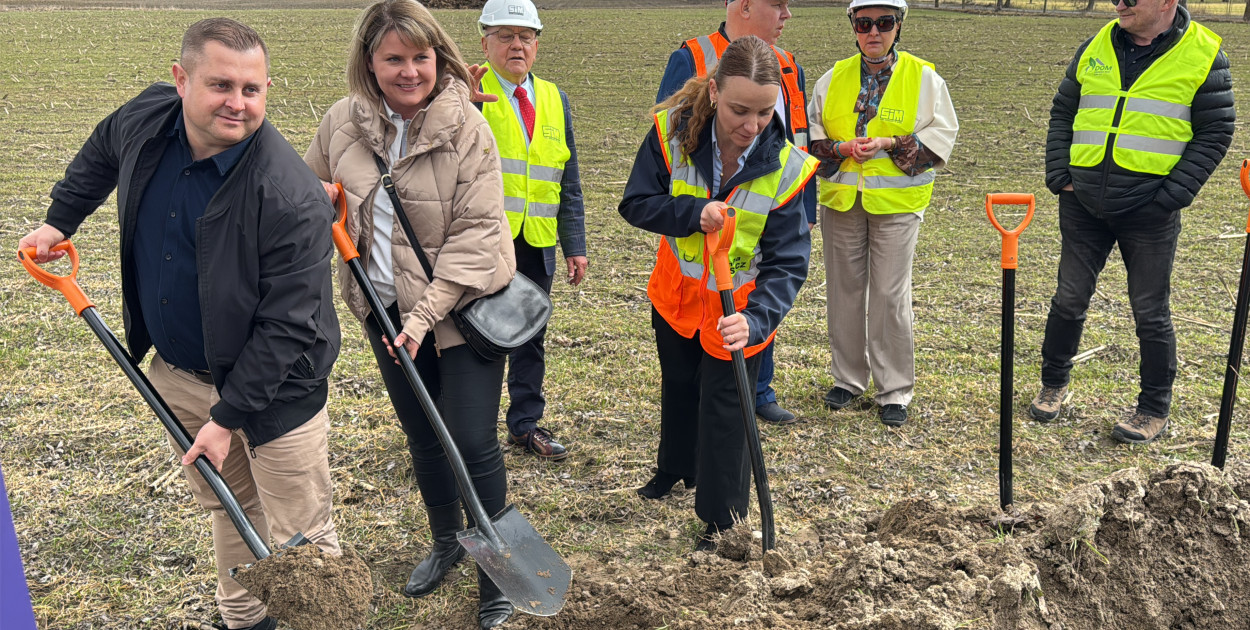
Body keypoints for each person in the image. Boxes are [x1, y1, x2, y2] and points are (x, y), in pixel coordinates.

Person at [18, 18, 342, 630]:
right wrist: (62, 220)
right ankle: (243, 620)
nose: (237, 104)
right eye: (221, 85)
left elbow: (288, 325)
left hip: (277, 391)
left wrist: (228, 417)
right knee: (230, 506)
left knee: (302, 537)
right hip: (180, 374)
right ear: (180, 80)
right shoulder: (147, 118)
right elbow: (102, 148)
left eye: (252, 90)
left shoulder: (290, 194)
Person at [304, 1, 515, 627]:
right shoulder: (341, 123)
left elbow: (479, 235)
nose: (409, 71)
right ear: (369, 62)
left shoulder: (467, 128)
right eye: (393, 58)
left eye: (420, 57)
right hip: (382, 308)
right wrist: (317, 201)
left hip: (461, 310)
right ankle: (447, 542)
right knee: (424, 435)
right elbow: (310, 194)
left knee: (472, 442)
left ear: (438, 56)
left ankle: (497, 573)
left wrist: (422, 316)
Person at [620, 35, 817, 549]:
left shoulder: (787, 169)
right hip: (678, 298)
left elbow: (789, 262)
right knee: (680, 389)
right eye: (738, 110)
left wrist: (756, 321)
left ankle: (721, 518)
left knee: (728, 410)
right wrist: (691, 213)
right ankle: (674, 469)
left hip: (739, 313)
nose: (751, 126)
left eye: (764, 112)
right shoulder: (670, 134)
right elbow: (636, 203)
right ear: (713, 91)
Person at [1031, 0, 1233, 443]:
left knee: (1150, 312)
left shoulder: (1204, 54)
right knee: (1068, 298)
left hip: (1150, 211)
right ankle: (1053, 383)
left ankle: (1153, 408)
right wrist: (1060, 175)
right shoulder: (1097, 44)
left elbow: (1217, 131)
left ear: (1166, 2)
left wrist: (1172, 196)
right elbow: (1064, 111)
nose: (1118, 3)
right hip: (1082, 202)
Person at [655, 0, 813, 426]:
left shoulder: (788, 65)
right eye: (777, 4)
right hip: (698, 255)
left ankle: (760, 389)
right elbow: (671, 144)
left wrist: (804, 207)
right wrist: (693, 211)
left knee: (756, 298)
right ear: (744, 5)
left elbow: (796, 137)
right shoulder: (692, 56)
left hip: (769, 210)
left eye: (761, 112)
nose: (787, 14)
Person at [808, 0, 957, 428]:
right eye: (864, 23)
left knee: (891, 297)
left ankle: (894, 390)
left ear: (898, 26)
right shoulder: (830, 79)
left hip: (896, 206)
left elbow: (943, 135)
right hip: (842, 201)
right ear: (853, 26)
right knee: (844, 292)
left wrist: (891, 144)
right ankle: (848, 380)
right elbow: (811, 132)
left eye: (884, 23)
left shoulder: (924, 78)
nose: (874, 31)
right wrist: (839, 149)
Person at [475, 0, 587, 461]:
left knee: (529, 337)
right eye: (505, 36)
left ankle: (524, 424)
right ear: (485, 42)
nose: (516, 45)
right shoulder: (469, 90)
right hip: (482, 243)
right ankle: (472, 428)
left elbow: (569, 179)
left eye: (525, 37)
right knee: (477, 337)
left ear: (537, 44)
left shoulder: (555, 98)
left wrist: (575, 245)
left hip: (537, 240)